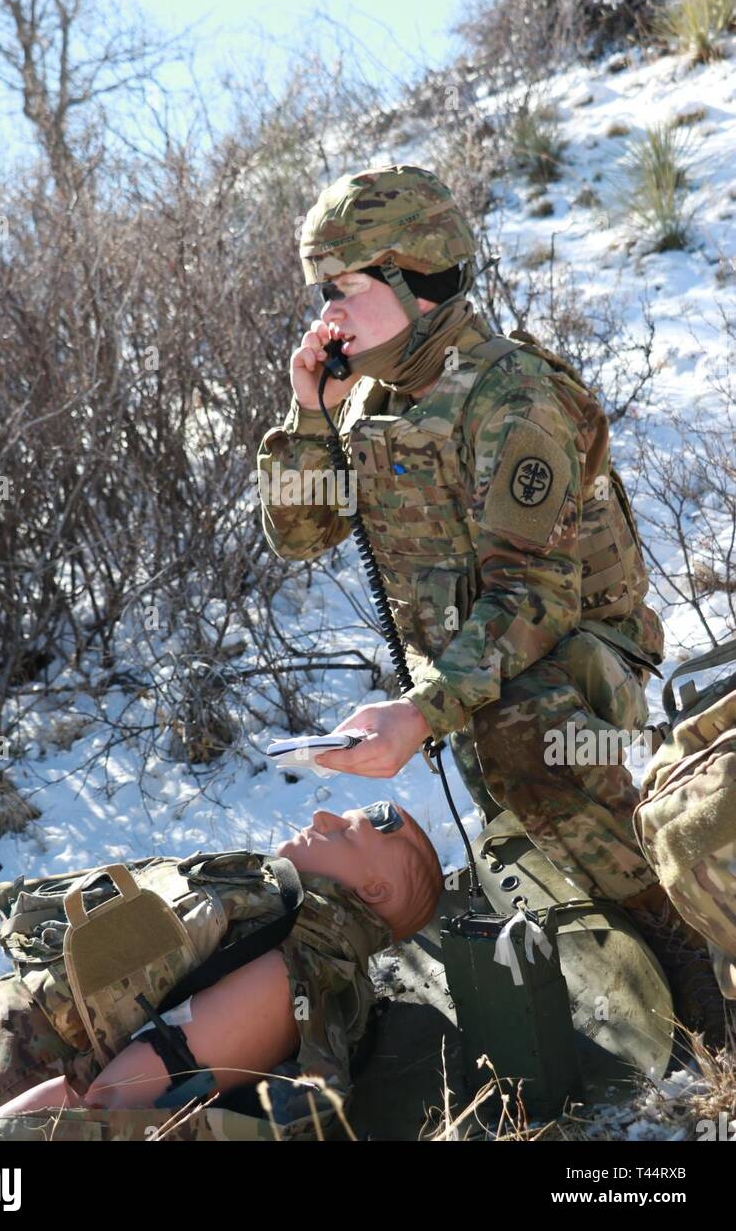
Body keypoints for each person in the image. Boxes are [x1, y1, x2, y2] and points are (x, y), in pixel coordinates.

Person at [256, 162, 727, 1042]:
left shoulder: (508, 397)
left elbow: (537, 597)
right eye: (322, 292)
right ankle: (608, 935)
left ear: (418, 282)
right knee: (510, 766)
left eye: (346, 288)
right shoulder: (374, 396)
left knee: (521, 739)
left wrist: (422, 711)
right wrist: (311, 415)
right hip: (488, 662)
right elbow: (302, 536)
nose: (327, 315)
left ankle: (695, 953)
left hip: (584, 658)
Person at [0, 801, 444, 1141]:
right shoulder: (281, 921)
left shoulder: (291, 972)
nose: (322, 815)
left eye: (348, 832)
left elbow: (103, 1102)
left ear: (375, 890)